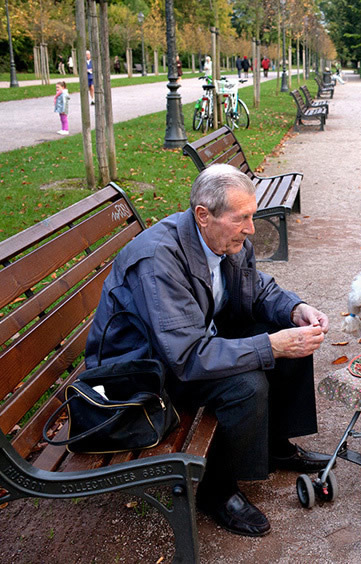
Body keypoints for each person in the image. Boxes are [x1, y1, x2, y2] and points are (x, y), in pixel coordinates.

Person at [84, 164, 332, 537]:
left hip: (186, 343)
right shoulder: (159, 261)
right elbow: (186, 357)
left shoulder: (224, 238)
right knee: (247, 383)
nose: (251, 228)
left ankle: (275, 445)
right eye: (242, 218)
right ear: (203, 215)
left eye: (252, 215)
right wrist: (270, 346)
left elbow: (257, 289)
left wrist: (295, 309)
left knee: (291, 334)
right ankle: (218, 492)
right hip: (142, 371)